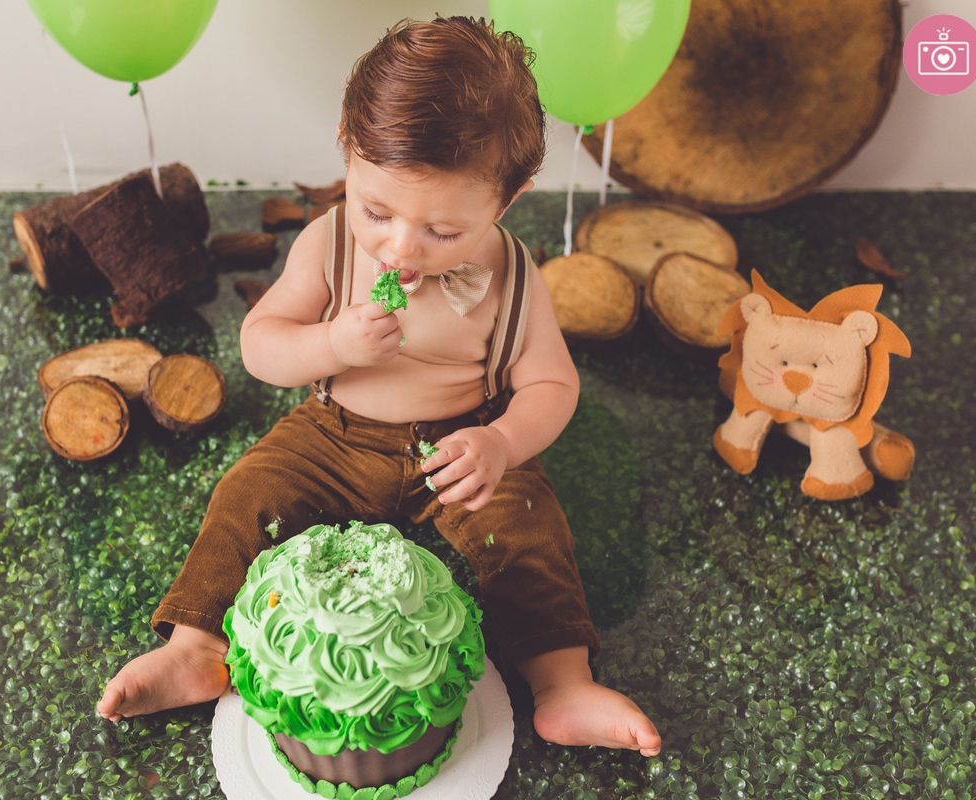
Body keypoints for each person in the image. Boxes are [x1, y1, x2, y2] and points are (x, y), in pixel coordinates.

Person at [97, 15, 661, 757]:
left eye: (445, 233)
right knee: (246, 494)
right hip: (332, 434)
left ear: (511, 196)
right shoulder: (328, 243)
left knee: (530, 531)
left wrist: (500, 441)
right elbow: (260, 345)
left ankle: (562, 683)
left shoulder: (517, 276)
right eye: (378, 211)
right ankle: (196, 646)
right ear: (345, 145)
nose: (402, 248)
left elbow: (552, 384)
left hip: (464, 443)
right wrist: (331, 342)